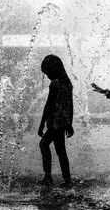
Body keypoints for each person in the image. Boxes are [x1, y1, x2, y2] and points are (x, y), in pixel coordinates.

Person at [38, 54, 74, 188]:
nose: (47, 76)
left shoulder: (55, 83)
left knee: (43, 144)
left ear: (53, 70)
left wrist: (41, 124)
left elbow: (48, 105)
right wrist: (70, 123)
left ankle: (48, 177)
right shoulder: (67, 83)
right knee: (61, 151)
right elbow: (70, 105)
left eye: (47, 72)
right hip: (62, 122)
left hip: (54, 123)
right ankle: (67, 180)